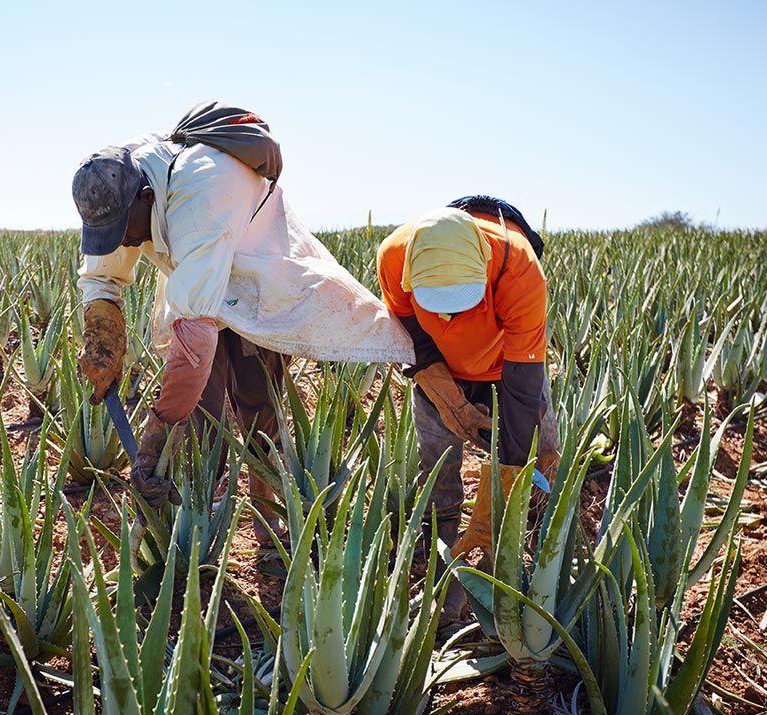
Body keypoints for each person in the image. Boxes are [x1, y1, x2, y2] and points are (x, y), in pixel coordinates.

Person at [71, 108, 413, 546]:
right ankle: (191, 525)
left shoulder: (202, 196)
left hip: (256, 277)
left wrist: (156, 430)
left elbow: (194, 337)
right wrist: (103, 340)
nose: (124, 241)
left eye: (124, 230)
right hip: (198, 274)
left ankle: (267, 522)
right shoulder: (118, 182)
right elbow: (101, 277)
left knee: (257, 403)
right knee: (199, 415)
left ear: (145, 198)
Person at [376, 197, 560, 573]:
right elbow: (410, 335)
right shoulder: (394, 257)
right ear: (412, 272)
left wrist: (507, 479)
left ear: (485, 267)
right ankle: (437, 537)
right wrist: (445, 395)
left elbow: (524, 385)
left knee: (541, 450)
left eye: (462, 302)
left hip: (505, 366)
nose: (450, 316)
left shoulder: (520, 269)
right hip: (442, 365)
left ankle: (534, 530)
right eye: (439, 303)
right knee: (436, 455)